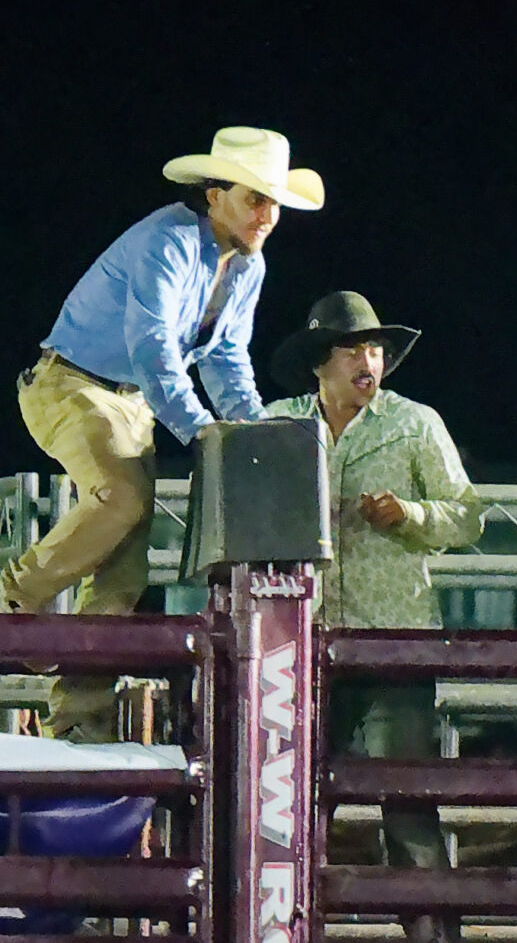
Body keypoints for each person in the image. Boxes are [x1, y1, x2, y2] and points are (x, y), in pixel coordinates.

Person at [1, 126, 323, 739]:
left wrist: (247, 435)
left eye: (274, 202)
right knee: (121, 499)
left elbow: (226, 357)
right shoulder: (166, 242)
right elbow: (152, 350)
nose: (268, 214)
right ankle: (12, 600)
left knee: (124, 572)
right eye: (255, 198)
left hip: (128, 402)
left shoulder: (247, 265)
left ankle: (77, 721)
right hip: (69, 384)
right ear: (214, 194)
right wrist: (203, 432)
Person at [266, 290, 486, 881]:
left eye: (376, 350)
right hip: (300, 645)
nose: (369, 362)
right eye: (352, 350)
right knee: (291, 805)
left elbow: (467, 517)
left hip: (394, 641)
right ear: (320, 362)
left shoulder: (415, 424)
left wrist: (410, 515)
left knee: (407, 803)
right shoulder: (276, 424)